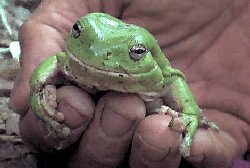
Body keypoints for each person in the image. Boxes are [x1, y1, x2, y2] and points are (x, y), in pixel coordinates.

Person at [10, 0, 250, 167]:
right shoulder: (68, 60)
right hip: (78, 89)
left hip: (147, 103)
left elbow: (173, 77)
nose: (100, 55)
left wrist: (189, 112)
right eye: (78, 31)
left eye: (136, 51)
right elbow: (55, 61)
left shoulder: (160, 77)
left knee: (160, 137)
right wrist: (39, 87)